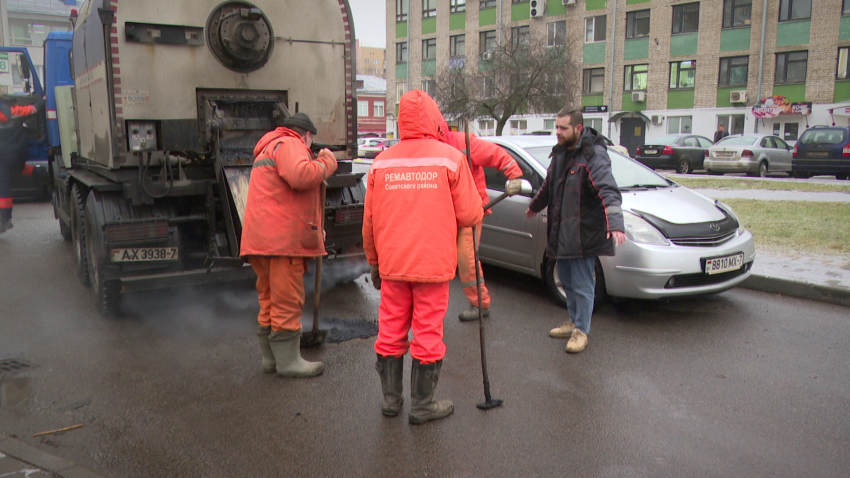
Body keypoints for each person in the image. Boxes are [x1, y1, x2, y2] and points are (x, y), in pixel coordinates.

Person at [363, 90, 482, 424]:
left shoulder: (381, 161)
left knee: (390, 330)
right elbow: (470, 214)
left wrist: (374, 262)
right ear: (433, 118)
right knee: (428, 331)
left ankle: (391, 401)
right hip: (432, 264)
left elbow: (369, 221)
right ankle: (422, 405)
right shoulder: (450, 159)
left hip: (393, 264)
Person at [240, 113, 338, 378]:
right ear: (306, 135)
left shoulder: (267, 148)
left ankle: (271, 360)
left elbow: (285, 195)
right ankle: (289, 362)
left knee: (269, 299)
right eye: (311, 141)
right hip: (282, 242)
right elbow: (301, 175)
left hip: (261, 240)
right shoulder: (291, 143)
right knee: (286, 300)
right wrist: (327, 161)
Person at [526, 107, 626, 354]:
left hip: (583, 234)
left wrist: (615, 223)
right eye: (556, 127)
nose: (558, 132)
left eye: (563, 128)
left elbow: (608, 189)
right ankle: (573, 320)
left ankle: (582, 330)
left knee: (582, 283)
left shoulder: (593, 154)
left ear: (578, 128)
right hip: (561, 232)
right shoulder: (560, 153)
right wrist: (535, 206)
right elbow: (549, 185)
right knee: (566, 280)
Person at [437, 117, 524, 321]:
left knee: (466, 260)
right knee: (438, 261)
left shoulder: (463, 142)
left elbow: (495, 154)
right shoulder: (431, 148)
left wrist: (515, 176)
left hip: (470, 210)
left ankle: (479, 304)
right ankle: (432, 309)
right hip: (444, 212)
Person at [0, 97, 41, 234]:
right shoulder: (15, 111)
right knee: (17, 170)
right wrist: (43, 100)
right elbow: (33, 109)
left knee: (4, 186)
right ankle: (42, 174)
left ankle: (4, 219)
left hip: (3, 155)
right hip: (18, 152)